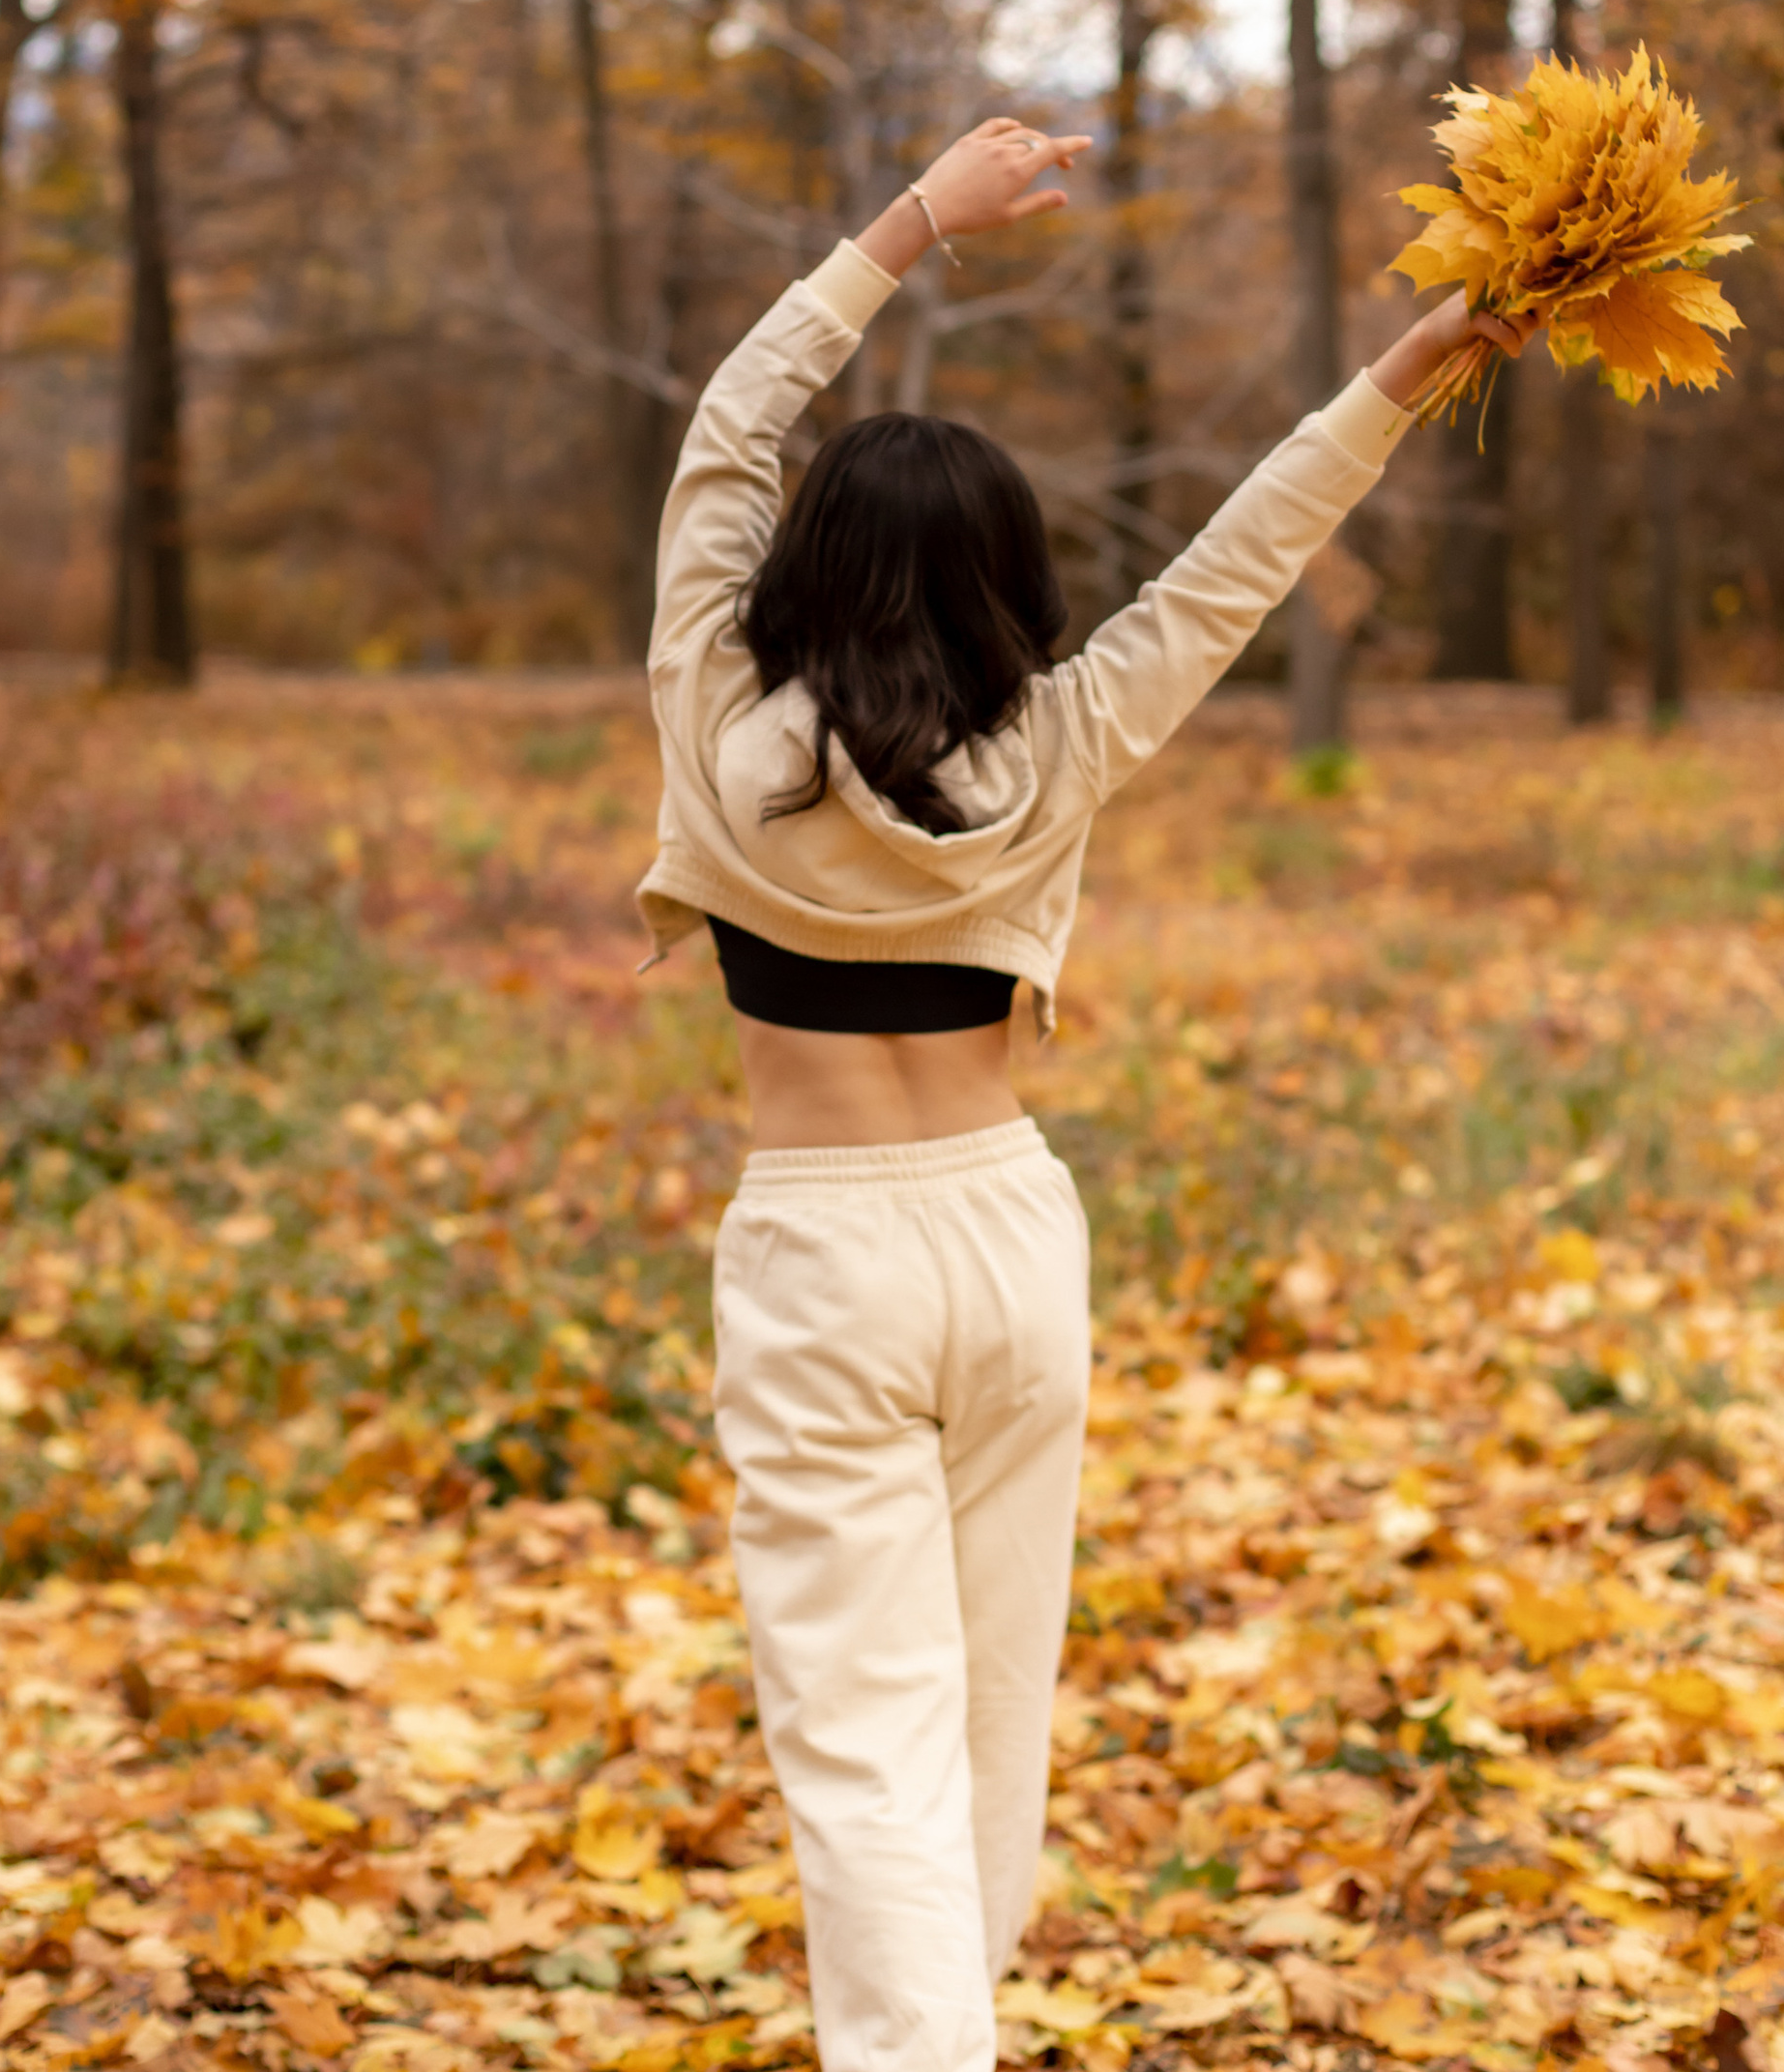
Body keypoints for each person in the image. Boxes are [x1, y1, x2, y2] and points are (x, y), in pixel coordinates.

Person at [635, 118, 1532, 2072]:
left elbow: (727, 428)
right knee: (984, 1710)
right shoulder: (1059, 740)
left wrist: (911, 224)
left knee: (860, 1737)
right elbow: (1241, 558)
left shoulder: (712, 721)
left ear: (799, 565)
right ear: (1007, 581)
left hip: (821, 1254)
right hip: (1009, 1232)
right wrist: (1408, 364)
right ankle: (944, 2028)